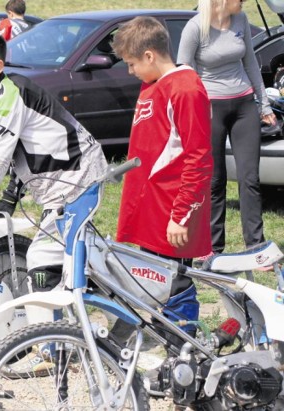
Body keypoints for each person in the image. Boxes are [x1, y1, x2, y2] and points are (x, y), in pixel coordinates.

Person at [0, 28, 108, 325]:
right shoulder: (0, 92)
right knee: (80, 258)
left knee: (42, 261)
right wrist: (9, 198)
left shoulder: (5, 94)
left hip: (76, 182)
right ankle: (112, 315)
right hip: (67, 183)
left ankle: (49, 346)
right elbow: (21, 151)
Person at [111, 16, 213, 349]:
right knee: (150, 279)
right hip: (150, 207)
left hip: (172, 209)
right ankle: (159, 340)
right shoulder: (152, 83)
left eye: (132, 64)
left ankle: (183, 351)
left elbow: (198, 158)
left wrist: (180, 214)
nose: (131, 72)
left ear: (150, 55)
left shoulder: (185, 88)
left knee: (175, 281)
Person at [177, 0, 276, 258]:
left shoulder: (240, 20)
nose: (243, 2)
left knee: (250, 179)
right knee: (215, 181)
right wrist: (190, 114)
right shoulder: (194, 27)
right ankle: (212, 249)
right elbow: (184, 75)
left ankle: (256, 247)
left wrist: (263, 105)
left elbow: (251, 63)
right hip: (210, 109)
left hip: (244, 105)